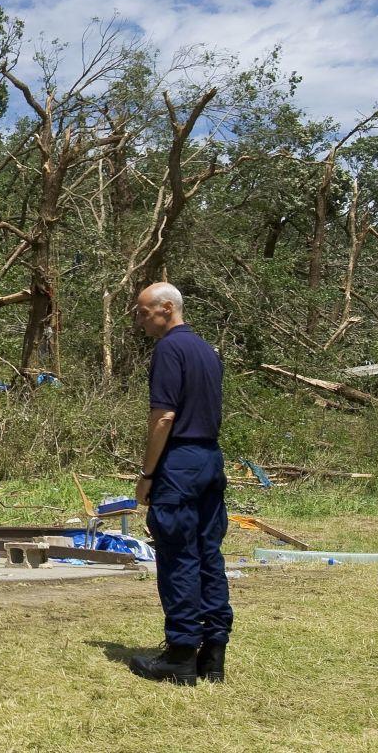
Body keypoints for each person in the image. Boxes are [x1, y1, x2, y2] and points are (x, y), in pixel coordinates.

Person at [127, 281, 232, 685]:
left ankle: (182, 653)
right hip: (210, 459)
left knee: (178, 555)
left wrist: (147, 474)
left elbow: (164, 417)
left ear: (167, 308)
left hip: (181, 462)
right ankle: (213, 653)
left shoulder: (169, 349)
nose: (140, 319)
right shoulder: (207, 350)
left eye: (143, 311)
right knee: (209, 553)